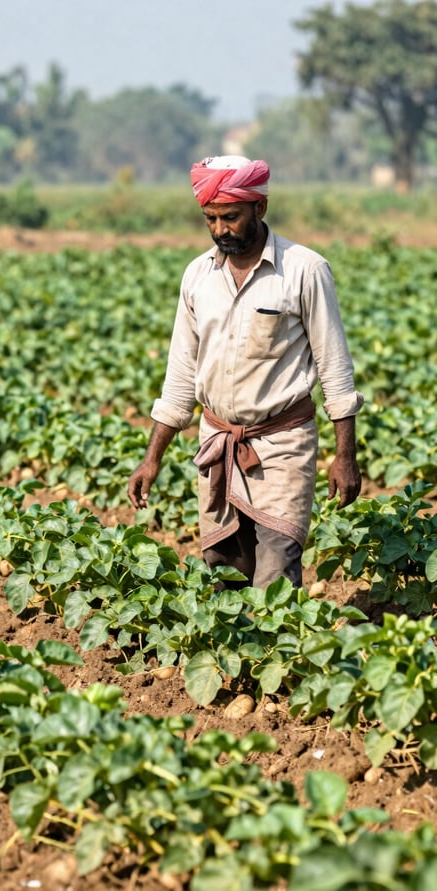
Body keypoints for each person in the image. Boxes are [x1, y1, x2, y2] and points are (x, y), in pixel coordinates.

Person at [127, 155, 363, 589]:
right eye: (210, 219)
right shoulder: (198, 276)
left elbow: (335, 368)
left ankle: (276, 657)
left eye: (231, 217)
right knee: (225, 575)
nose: (221, 229)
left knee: (275, 575)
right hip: (218, 443)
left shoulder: (305, 270)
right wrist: (151, 458)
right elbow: (180, 376)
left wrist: (345, 455)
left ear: (260, 208)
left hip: (283, 446)